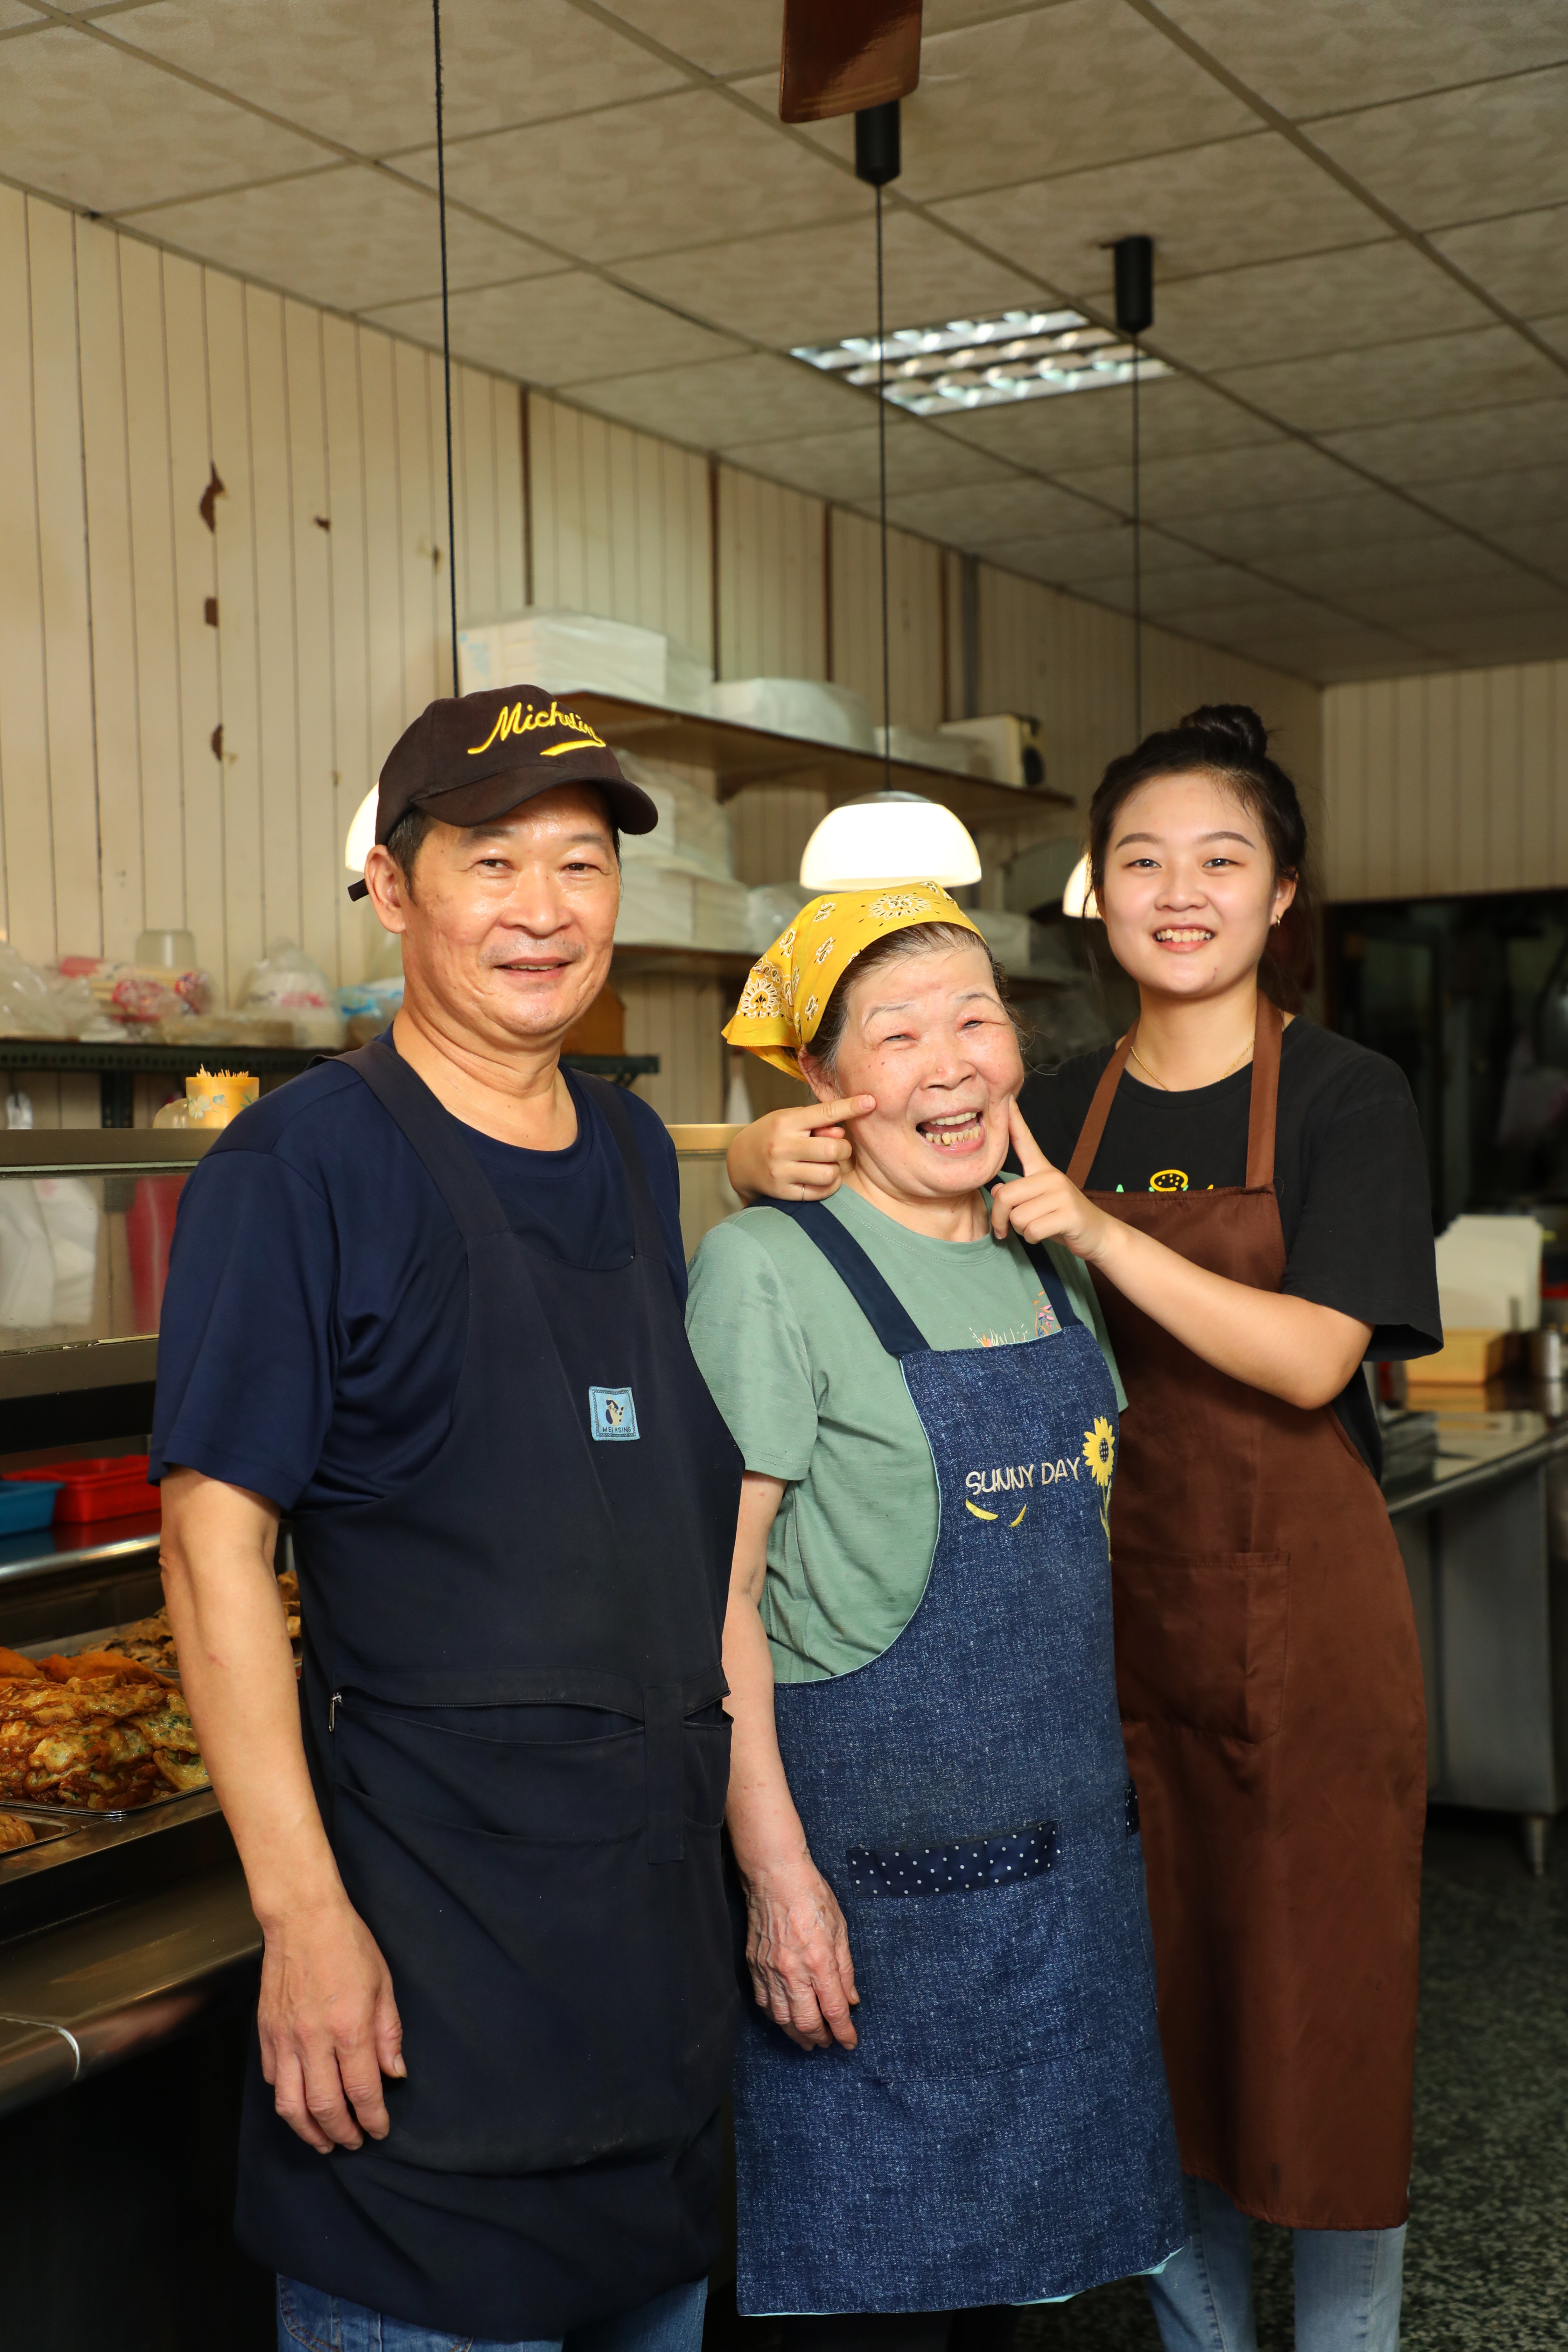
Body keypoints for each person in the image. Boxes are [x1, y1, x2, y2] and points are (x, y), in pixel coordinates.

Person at [727, 708, 1442, 2352]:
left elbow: (1313, 1353)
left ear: (1280, 900)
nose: (1177, 892)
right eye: (1140, 860)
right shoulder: (1044, 1092)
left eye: (1221, 860)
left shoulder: (1346, 1096)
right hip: (1092, 1644)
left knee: (1322, 2044)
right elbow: (857, 1195)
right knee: (1150, 2034)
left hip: (1303, 1636)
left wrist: (1101, 1240)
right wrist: (753, 1149)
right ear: (1093, 899)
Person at [154, 685, 743, 2352]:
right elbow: (213, 1550)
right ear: (395, 889)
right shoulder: (301, 1168)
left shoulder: (632, 1148)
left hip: (645, 1990)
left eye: (581, 864)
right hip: (425, 1985)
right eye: (494, 863)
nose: (545, 910)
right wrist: (304, 1920)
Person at [687, 886, 1185, 2346]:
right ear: (827, 1089)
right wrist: (776, 1880)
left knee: (1004, 2310)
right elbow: (716, 1603)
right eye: (897, 1034)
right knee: (875, 2308)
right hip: (870, 1901)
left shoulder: (1044, 1252)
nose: (952, 1062)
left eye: (977, 1017)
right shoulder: (768, 1267)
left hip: (1064, 1886)